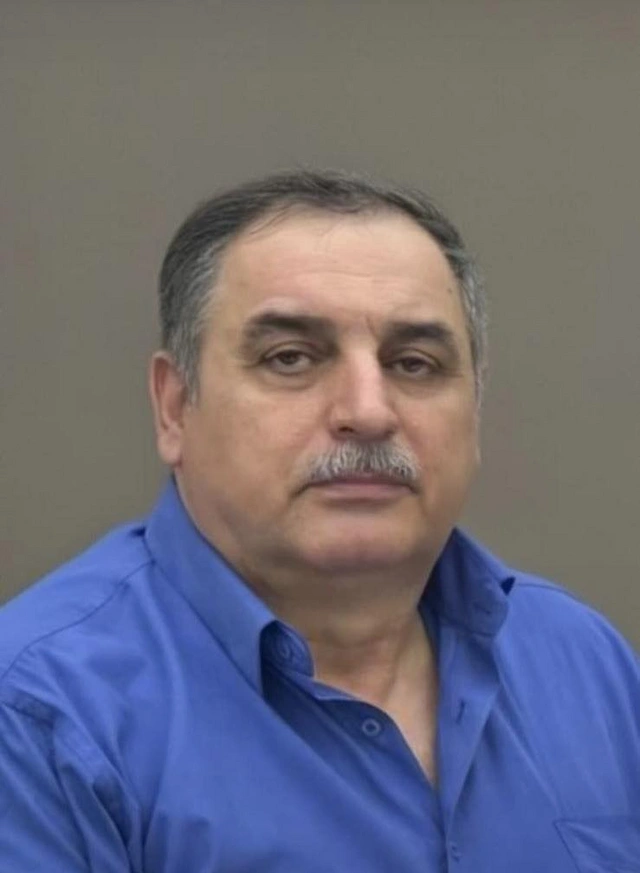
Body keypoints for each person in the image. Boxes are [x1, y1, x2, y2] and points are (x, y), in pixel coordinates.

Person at [0, 169, 638, 872]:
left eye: (414, 363)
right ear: (174, 407)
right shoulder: (37, 713)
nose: (368, 411)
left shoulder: (585, 662)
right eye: (291, 358)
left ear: (476, 409)